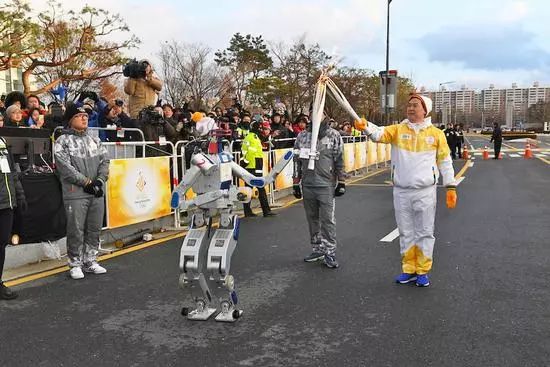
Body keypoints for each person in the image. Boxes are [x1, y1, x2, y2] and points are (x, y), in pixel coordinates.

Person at [355, 94, 457, 287]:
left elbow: (445, 161)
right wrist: (365, 126)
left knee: (425, 232)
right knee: (406, 232)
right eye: (409, 105)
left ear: (424, 110)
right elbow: (378, 134)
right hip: (401, 191)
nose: (410, 108)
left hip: (425, 191)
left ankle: (422, 271)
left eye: (415, 106)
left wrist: (450, 186)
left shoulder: (436, 134)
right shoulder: (397, 130)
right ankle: (409, 269)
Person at [54, 103, 110, 280]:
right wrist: (86, 182)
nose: (84, 117)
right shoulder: (62, 141)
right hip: (75, 192)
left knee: (94, 227)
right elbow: (64, 167)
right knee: (76, 229)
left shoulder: (95, 139)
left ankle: (91, 260)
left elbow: (105, 162)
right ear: (71, 120)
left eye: (86, 115)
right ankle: (75, 263)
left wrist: (99, 181)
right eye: (79, 116)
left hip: (95, 191)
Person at [292, 116, 346, 269]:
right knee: (312, 218)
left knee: (328, 220)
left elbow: (340, 159)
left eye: (319, 111)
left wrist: (341, 181)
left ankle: (330, 252)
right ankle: (318, 249)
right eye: (313, 111)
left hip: (326, 185)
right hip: (308, 185)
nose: (316, 114)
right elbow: (296, 160)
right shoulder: (302, 136)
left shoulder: (333, 135)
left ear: (325, 115)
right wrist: (296, 183)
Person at [0, 136, 27, 300]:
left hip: (6, 203)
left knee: (1, 244)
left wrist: (20, 195)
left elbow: (12, 173)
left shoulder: (2, 141)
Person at [241, 121, 276, 218]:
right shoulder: (249, 137)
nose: (261, 130)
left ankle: (254, 211)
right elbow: (244, 152)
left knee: (252, 189)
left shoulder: (255, 137)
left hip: (256, 166)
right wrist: (244, 164)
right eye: (259, 128)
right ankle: (264, 211)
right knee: (253, 189)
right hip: (251, 167)